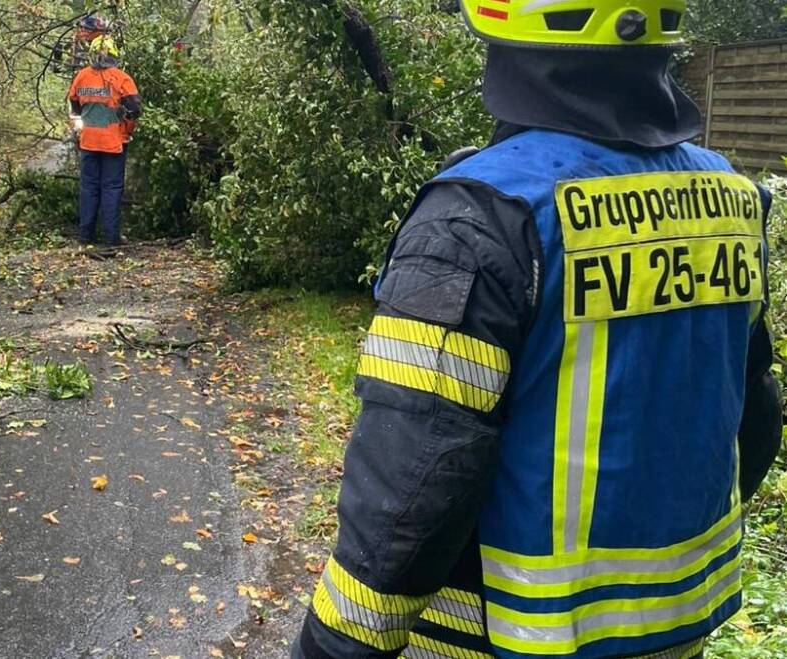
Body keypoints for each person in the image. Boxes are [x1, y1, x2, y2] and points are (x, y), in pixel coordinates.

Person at [292, 2, 783, 658]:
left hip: (501, 638)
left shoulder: (477, 220)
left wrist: (332, 646)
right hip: (677, 632)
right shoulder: (731, 196)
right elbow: (754, 412)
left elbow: (417, 482)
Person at [67, 36, 141, 247]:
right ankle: (111, 238)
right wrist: (127, 129)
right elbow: (134, 110)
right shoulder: (121, 78)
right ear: (114, 55)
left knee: (89, 187)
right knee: (112, 188)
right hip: (113, 142)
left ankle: (85, 236)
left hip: (88, 141)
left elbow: (75, 106)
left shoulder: (81, 76)